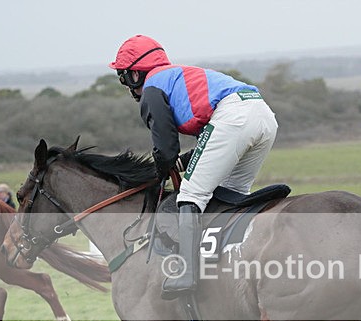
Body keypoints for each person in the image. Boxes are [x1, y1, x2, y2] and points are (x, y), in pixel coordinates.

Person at [109, 35, 278, 299]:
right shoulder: (176, 76)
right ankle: (231, 261)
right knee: (229, 191)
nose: (126, 86)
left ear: (134, 75)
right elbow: (210, 143)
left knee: (190, 195)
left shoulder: (152, 89)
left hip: (233, 118)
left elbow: (165, 149)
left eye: (124, 78)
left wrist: (161, 172)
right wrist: (181, 161)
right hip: (263, 115)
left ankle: (187, 273)